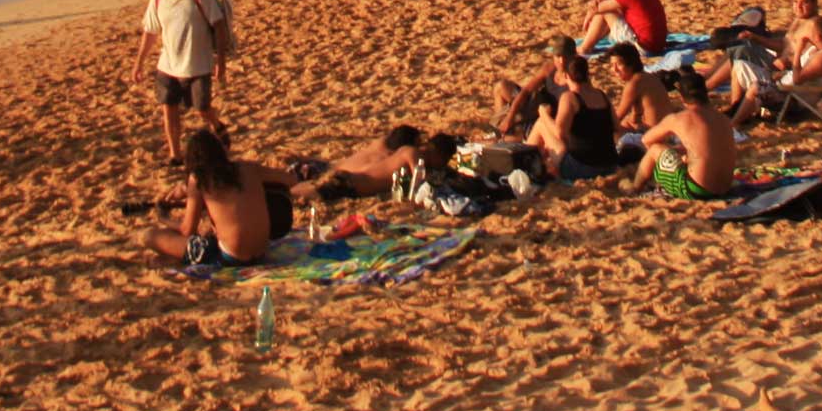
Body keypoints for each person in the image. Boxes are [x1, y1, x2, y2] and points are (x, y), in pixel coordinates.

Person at [131, 0, 230, 163]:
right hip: (167, 65)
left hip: (198, 65)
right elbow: (150, 33)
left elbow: (219, 25)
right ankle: (175, 154)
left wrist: (220, 59)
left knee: (202, 108)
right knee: (168, 107)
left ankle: (217, 125)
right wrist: (139, 62)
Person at [140, 131, 276, 267]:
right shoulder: (247, 168)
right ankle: (178, 258)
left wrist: (163, 217)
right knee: (208, 232)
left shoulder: (199, 178)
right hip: (261, 253)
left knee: (148, 236)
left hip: (231, 258)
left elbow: (187, 230)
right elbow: (290, 179)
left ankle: (179, 259)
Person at [626, 71, 737, 199]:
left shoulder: (678, 119)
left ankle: (635, 189)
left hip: (697, 189)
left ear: (682, 98)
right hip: (724, 187)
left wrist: (672, 153)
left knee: (655, 149)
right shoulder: (723, 118)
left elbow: (647, 140)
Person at [292, 126, 458, 203]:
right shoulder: (413, 155)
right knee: (304, 194)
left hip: (351, 179)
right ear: (437, 153)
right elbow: (420, 186)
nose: (442, 164)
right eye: (443, 160)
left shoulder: (405, 150)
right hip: (353, 184)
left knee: (309, 189)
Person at [525, 53, 619, 181]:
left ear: (566, 76)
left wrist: (544, 114)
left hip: (582, 169)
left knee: (542, 123)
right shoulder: (602, 95)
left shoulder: (570, 97)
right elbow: (616, 126)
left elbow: (559, 133)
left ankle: (522, 163)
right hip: (610, 165)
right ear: (587, 74)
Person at [493, 36, 577, 138]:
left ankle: (508, 135)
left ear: (573, 56)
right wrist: (510, 116)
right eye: (558, 56)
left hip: (549, 119)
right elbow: (527, 90)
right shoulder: (549, 69)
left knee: (513, 136)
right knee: (501, 87)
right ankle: (502, 130)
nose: (562, 61)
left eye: (565, 57)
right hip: (537, 107)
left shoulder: (575, 78)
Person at [605, 44, 674, 133]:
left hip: (653, 133)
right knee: (626, 122)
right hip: (667, 128)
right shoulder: (649, 77)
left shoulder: (634, 83)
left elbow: (618, 117)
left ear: (631, 64)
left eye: (619, 64)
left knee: (613, 131)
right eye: (612, 65)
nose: (614, 69)